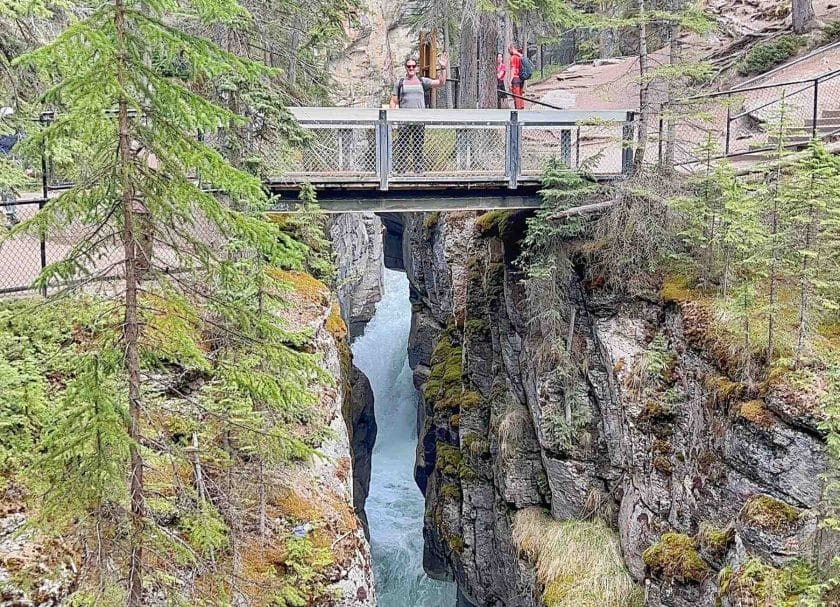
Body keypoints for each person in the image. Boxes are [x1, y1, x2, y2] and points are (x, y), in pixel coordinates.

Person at [389, 54, 448, 173]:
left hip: (419, 121)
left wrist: (443, 68)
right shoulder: (400, 83)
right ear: (405, 67)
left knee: (418, 147)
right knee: (403, 147)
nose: (411, 68)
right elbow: (393, 101)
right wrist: (393, 120)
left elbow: (441, 83)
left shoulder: (422, 81)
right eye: (408, 66)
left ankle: (418, 170)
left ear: (416, 67)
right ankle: (401, 170)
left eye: (413, 66)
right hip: (404, 121)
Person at [0, 107, 21, 228]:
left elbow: (20, 147)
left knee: (7, 189)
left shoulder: (17, 131)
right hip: (4, 162)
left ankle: (10, 215)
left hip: (9, 163)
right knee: (6, 189)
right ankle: (10, 215)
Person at [509, 43, 525, 110]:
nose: (509, 51)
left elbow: (513, 69)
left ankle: (518, 111)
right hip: (521, 78)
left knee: (516, 96)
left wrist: (510, 80)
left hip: (515, 79)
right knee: (520, 95)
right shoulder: (520, 56)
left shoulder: (513, 57)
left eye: (509, 49)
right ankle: (521, 108)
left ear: (512, 49)